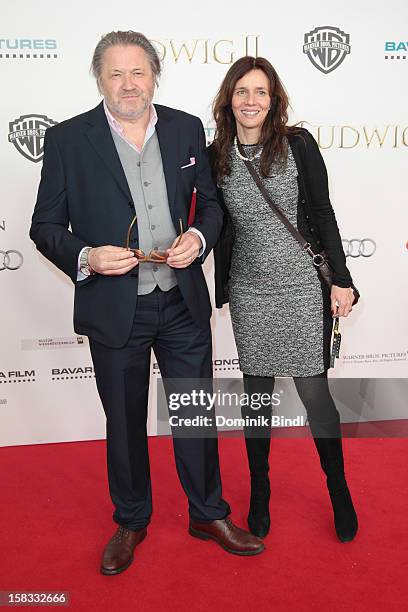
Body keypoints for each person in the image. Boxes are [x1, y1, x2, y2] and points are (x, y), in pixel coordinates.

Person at [30, 32, 264, 575]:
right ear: (99, 79)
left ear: (155, 75)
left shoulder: (186, 128)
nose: (128, 84)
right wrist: (86, 255)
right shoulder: (67, 140)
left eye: (138, 72)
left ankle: (208, 513)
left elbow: (210, 206)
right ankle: (132, 519)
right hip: (115, 306)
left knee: (195, 414)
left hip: (181, 301)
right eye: (116, 73)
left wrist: (199, 241)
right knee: (126, 421)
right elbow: (44, 226)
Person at [209, 56, 358, 542]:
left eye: (261, 92)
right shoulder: (218, 155)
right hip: (250, 289)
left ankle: (338, 489)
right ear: (228, 99)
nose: (251, 101)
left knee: (316, 396)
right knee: (256, 398)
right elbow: (217, 224)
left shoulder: (298, 145)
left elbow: (323, 212)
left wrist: (341, 278)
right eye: (242, 92)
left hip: (299, 285)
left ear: (274, 101)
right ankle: (259, 490)